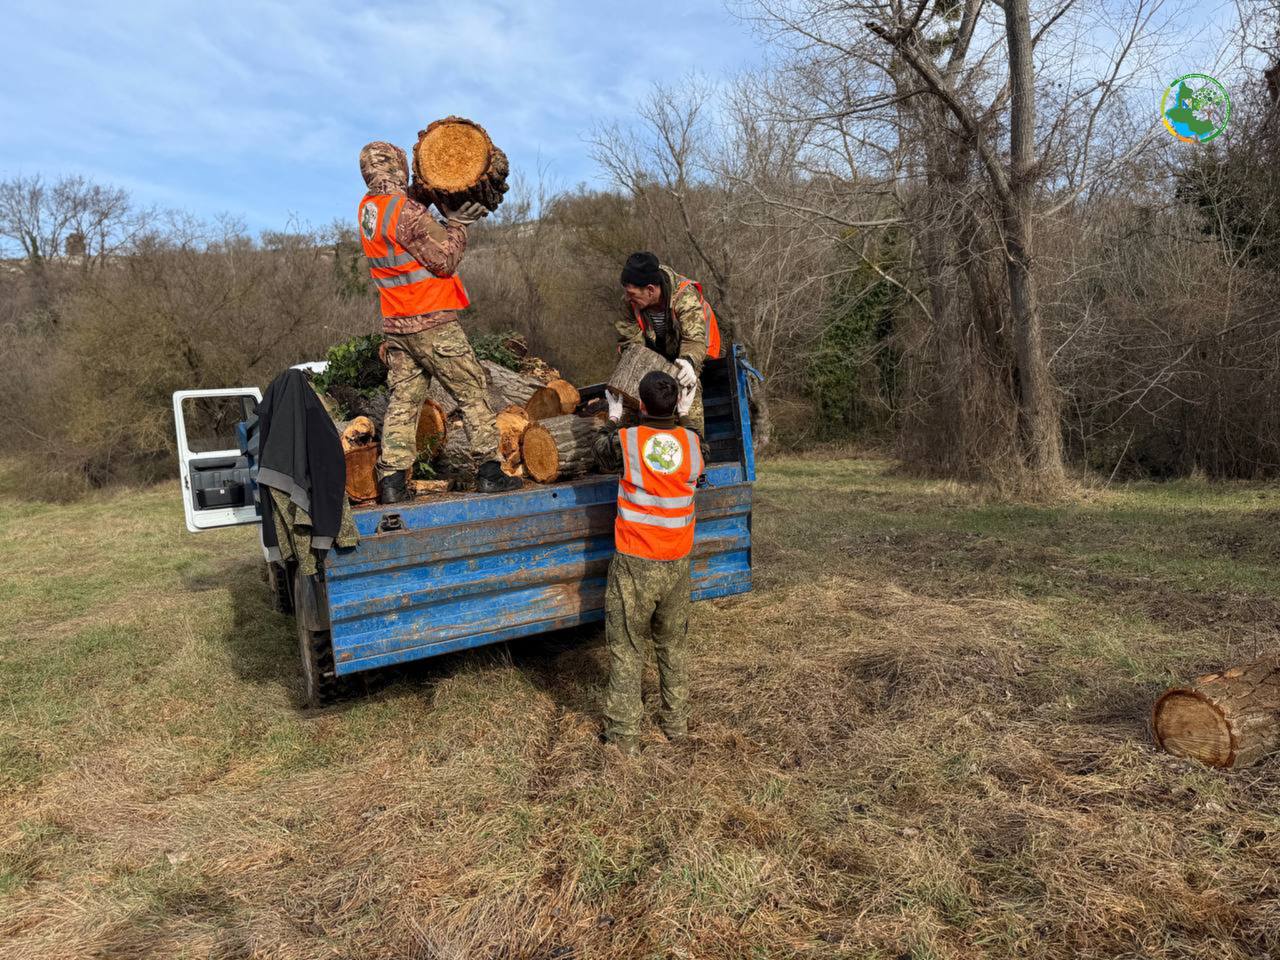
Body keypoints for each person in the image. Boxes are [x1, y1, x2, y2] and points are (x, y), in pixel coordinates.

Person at [356, 140, 520, 502]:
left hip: (397, 327)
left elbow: (404, 215)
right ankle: (490, 472)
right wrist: (458, 224)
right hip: (432, 323)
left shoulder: (368, 211)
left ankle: (393, 483)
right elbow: (444, 261)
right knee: (473, 391)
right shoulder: (406, 212)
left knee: (403, 402)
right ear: (399, 167)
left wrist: (427, 197)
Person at [594, 370, 702, 756]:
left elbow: (599, 448)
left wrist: (613, 414)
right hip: (676, 563)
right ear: (676, 403)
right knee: (672, 646)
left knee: (626, 647)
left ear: (640, 405)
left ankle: (624, 738)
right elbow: (691, 437)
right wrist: (685, 416)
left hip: (636, 562)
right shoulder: (692, 444)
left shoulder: (627, 441)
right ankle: (676, 725)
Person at [611, 251, 723, 440]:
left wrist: (688, 361)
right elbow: (631, 344)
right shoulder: (630, 302)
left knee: (687, 385)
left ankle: (694, 447)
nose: (627, 298)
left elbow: (695, 339)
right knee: (631, 387)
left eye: (631, 293)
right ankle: (628, 450)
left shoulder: (684, 296)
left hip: (694, 351)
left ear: (650, 290)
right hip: (657, 353)